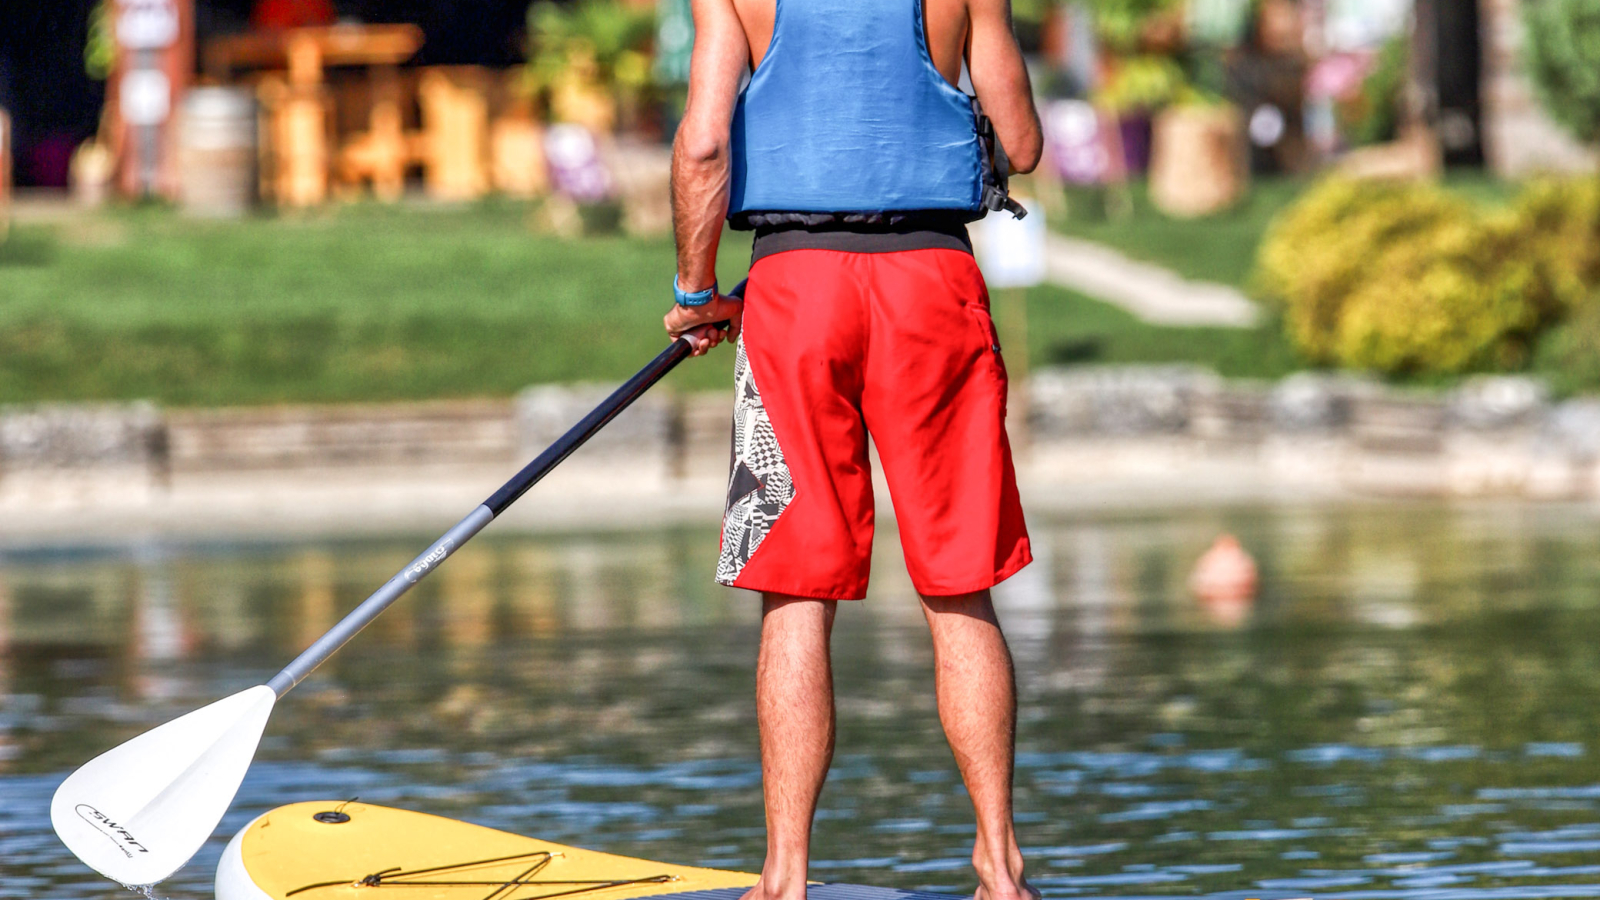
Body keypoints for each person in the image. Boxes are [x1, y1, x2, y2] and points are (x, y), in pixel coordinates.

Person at [662, 2, 1042, 900]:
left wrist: (695, 288)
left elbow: (704, 144)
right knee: (959, 582)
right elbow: (1020, 145)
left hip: (796, 287)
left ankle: (784, 878)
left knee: (796, 590)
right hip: (935, 283)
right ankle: (999, 866)